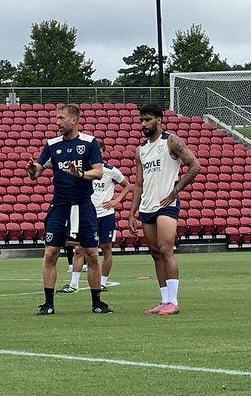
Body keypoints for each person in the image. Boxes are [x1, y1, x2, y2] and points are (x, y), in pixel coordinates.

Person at [27, 104, 112, 315]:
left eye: (61, 118)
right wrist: (32, 171)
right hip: (60, 204)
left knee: (92, 254)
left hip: (83, 204)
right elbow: (38, 171)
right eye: (56, 118)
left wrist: (80, 174)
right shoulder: (52, 145)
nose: (57, 122)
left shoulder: (89, 143)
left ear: (73, 120)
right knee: (50, 253)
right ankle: (48, 304)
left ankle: (97, 303)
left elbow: (99, 172)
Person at [127, 104, 201, 315]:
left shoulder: (171, 141)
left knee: (166, 249)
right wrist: (132, 212)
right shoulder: (140, 150)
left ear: (159, 120)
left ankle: (174, 301)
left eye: (147, 120)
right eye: (141, 120)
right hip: (147, 206)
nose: (144, 124)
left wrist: (175, 191)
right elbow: (139, 183)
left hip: (166, 205)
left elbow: (194, 166)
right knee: (155, 253)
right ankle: (164, 300)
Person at [60, 138, 130, 293]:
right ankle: (74, 284)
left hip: (106, 214)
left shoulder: (110, 171)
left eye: (100, 152)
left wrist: (116, 201)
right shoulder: (83, 172)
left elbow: (127, 185)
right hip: (87, 213)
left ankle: (103, 282)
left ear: (103, 152)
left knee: (106, 249)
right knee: (79, 249)